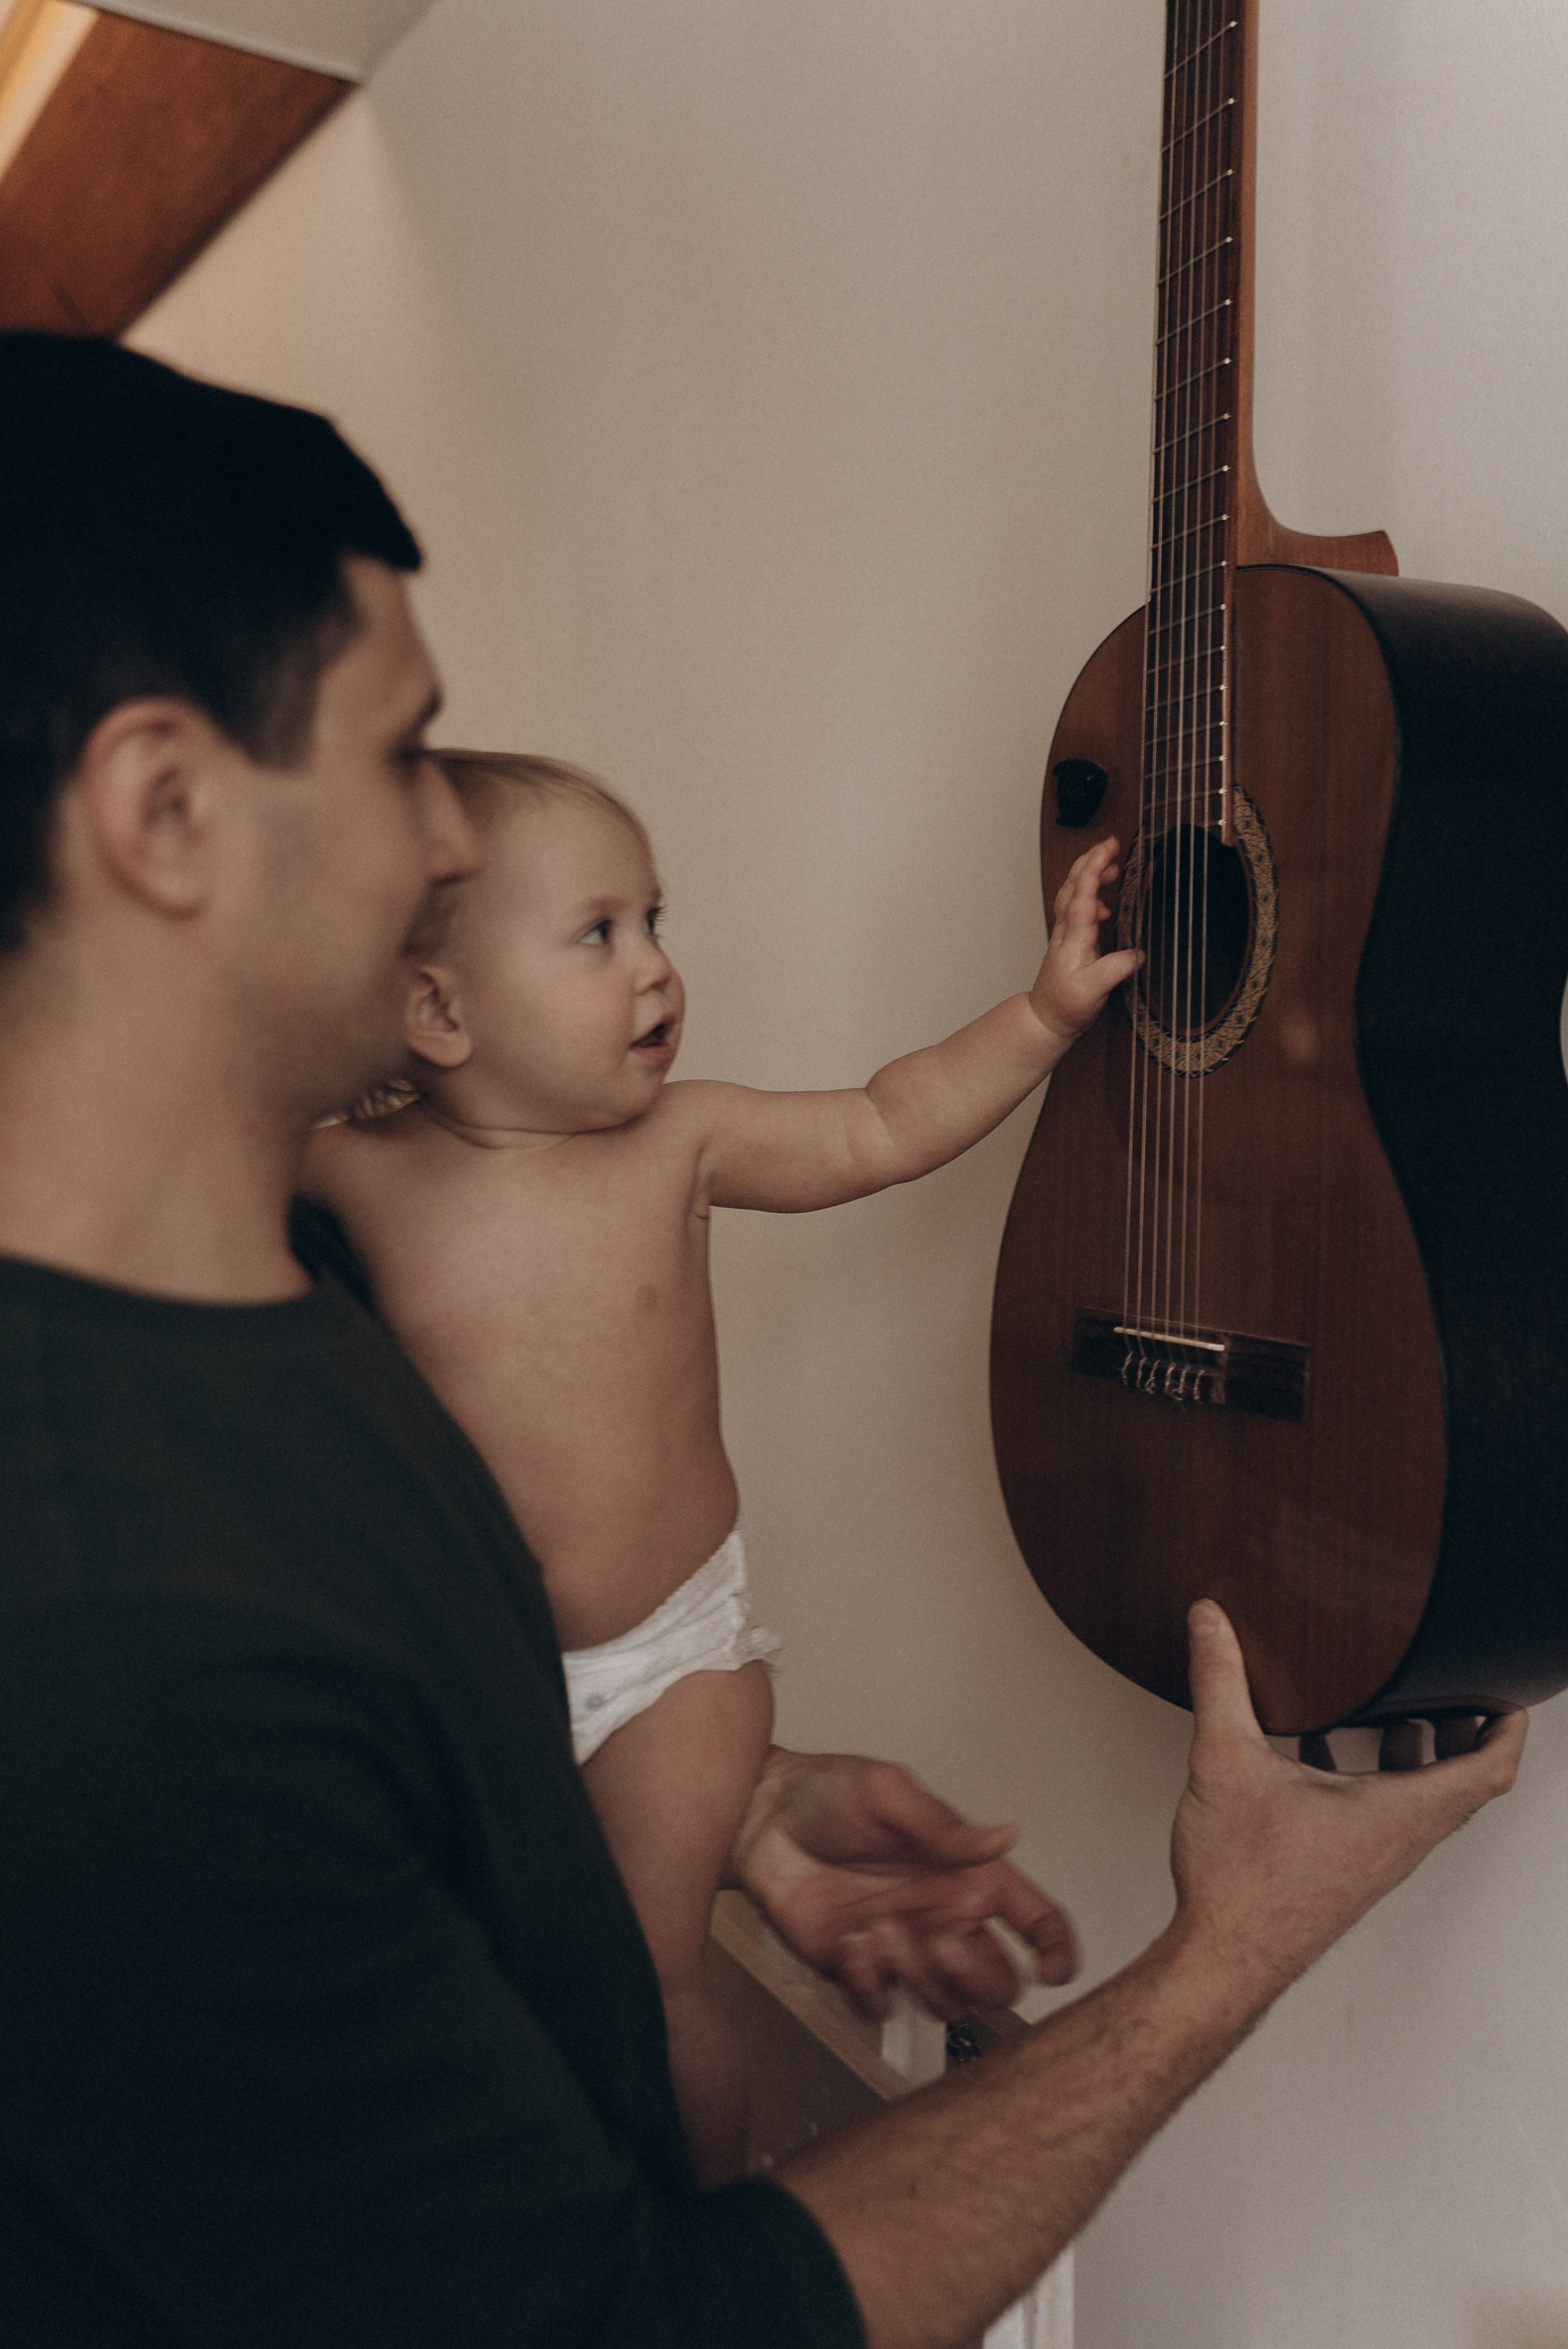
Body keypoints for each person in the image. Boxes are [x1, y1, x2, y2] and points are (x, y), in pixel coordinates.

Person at [0, 331, 1524, 2349]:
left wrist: (730, 1798)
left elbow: (389, 1757)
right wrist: (1222, 1953)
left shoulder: (261, 1315)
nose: (454, 845)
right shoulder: (113, 1649)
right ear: (164, 809)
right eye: (401, 753)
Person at [301, 747, 1137, 2182]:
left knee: (644, 1977)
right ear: (437, 1008)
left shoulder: (676, 1145)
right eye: (598, 934)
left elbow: (881, 1122)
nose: (656, 973)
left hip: (669, 1665)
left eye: (655, 922)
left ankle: (695, 2233)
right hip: (466, 1672)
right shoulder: (353, 1174)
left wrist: (1043, 1013)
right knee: (472, 1974)